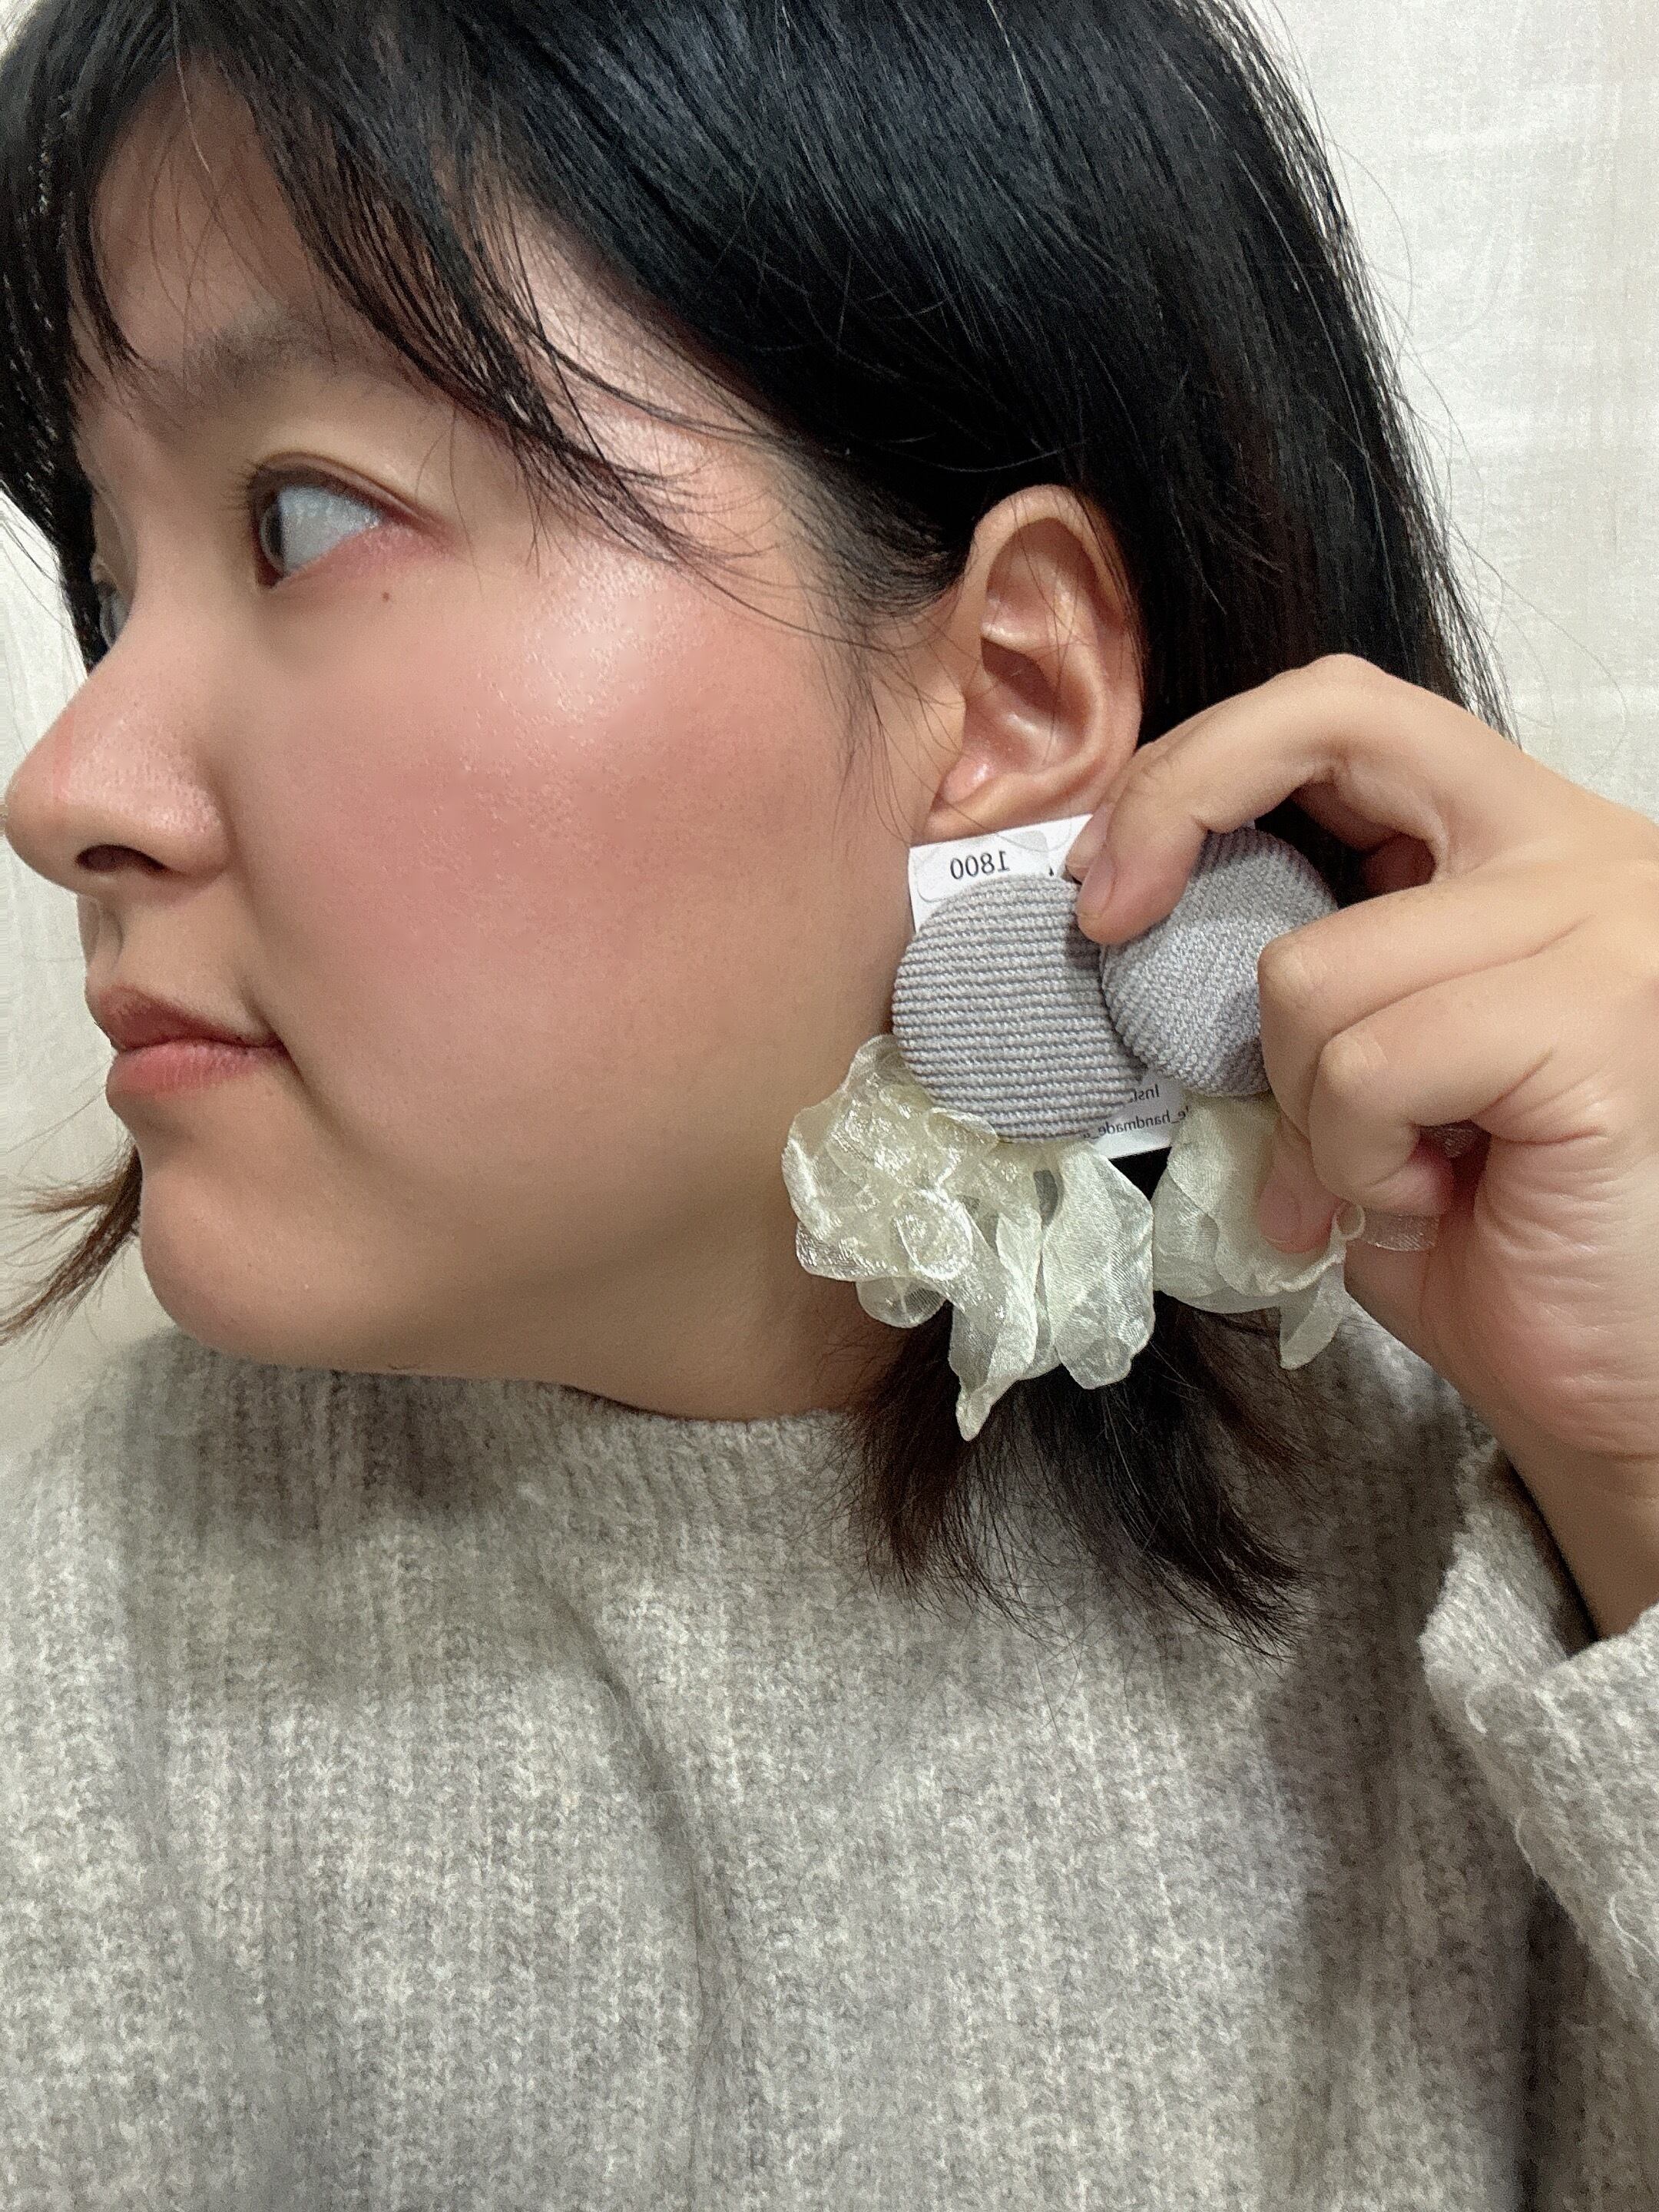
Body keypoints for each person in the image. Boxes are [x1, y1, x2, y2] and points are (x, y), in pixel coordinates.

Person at [0, 0, 1656, 2203]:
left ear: (1013, 694)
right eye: (107, 579)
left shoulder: (1528, 1537)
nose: (67, 786)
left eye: (304, 520)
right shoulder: (89, 1658)